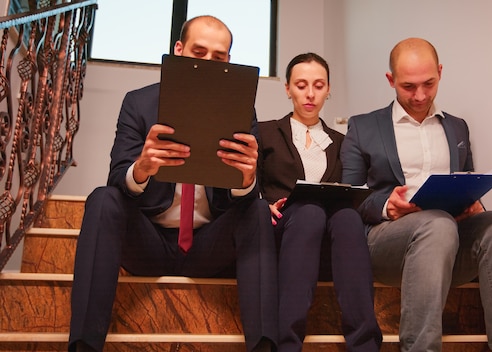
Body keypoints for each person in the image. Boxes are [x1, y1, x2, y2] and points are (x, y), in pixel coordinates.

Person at [68, 16, 277, 352]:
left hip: (209, 247)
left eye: (219, 57)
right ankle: (83, 345)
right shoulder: (138, 103)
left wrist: (247, 179)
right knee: (102, 199)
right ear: (178, 51)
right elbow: (118, 176)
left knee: (256, 209)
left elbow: (244, 197)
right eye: (199, 52)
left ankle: (265, 346)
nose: (208, 63)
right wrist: (143, 167)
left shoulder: (241, 110)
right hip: (149, 243)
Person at [340, 38, 492, 352]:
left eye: (429, 83)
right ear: (391, 80)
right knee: (437, 224)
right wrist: (389, 206)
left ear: (440, 72)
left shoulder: (457, 128)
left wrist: (474, 204)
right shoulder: (363, 127)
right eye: (408, 86)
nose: (420, 95)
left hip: (447, 239)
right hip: (386, 241)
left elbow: (466, 179)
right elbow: (351, 198)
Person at [257, 52, 382, 352]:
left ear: (328, 89)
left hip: (332, 236)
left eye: (318, 85)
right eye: (301, 85)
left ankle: (365, 344)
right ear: (287, 88)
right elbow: (251, 184)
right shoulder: (264, 132)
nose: (310, 94)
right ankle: (287, 343)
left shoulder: (343, 142)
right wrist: (263, 205)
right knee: (310, 212)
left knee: (348, 217)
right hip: (283, 230)